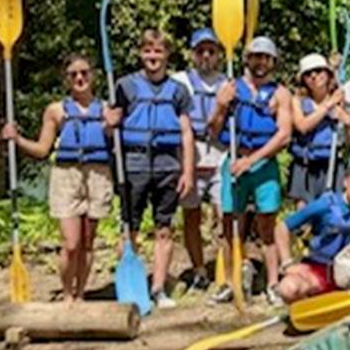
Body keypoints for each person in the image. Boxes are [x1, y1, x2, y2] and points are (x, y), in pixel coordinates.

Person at [2, 52, 113, 302]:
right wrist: (16, 139)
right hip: (66, 176)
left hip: (97, 175)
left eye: (84, 73)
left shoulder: (106, 109)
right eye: (73, 74)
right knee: (71, 244)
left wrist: (112, 125)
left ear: (92, 75)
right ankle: (67, 293)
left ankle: (82, 292)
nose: (80, 78)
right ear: (66, 79)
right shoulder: (56, 110)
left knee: (87, 242)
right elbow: (42, 149)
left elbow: (112, 138)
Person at [107, 29, 195, 308]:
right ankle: (129, 287)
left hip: (167, 164)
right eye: (147, 50)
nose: (153, 56)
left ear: (167, 54)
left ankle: (158, 289)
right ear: (140, 53)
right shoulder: (124, 86)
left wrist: (188, 171)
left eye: (158, 51)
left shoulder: (178, 91)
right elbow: (112, 126)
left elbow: (186, 133)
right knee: (129, 229)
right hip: (134, 163)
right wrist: (108, 124)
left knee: (164, 229)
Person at [208, 35, 293, 305]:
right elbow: (213, 130)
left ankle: (272, 284)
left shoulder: (280, 94)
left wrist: (252, 160)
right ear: (247, 59)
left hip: (263, 166)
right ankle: (230, 282)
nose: (260, 63)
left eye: (265, 58)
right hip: (233, 161)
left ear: (273, 62)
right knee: (230, 224)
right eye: (256, 57)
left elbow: (284, 136)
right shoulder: (230, 88)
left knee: (266, 227)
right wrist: (221, 106)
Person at [274, 163, 350, 302]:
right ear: (346, 182)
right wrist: (287, 264)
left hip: (349, 271)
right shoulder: (326, 204)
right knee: (288, 288)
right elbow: (282, 227)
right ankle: (308, 307)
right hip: (318, 269)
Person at [174, 28, 227, 291]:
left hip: (220, 154)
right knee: (191, 217)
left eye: (211, 51)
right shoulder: (179, 81)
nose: (206, 55)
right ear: (193, 54)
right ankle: (199, 270)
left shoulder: (228, 83)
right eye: (200, 51)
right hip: (190, 154)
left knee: (225, 215)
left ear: (218, 54)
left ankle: (225, 269)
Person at [288, 53, 350, 206]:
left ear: (328, 74)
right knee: (303, 218)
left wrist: (348, 124)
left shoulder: (340, 101)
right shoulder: (297, 101)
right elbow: (302, 126)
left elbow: (349, 141)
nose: (314, 76)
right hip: (305, 165)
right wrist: (327, 106)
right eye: (308, 74)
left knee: (331, 214)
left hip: (332, 164)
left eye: (318, 71)